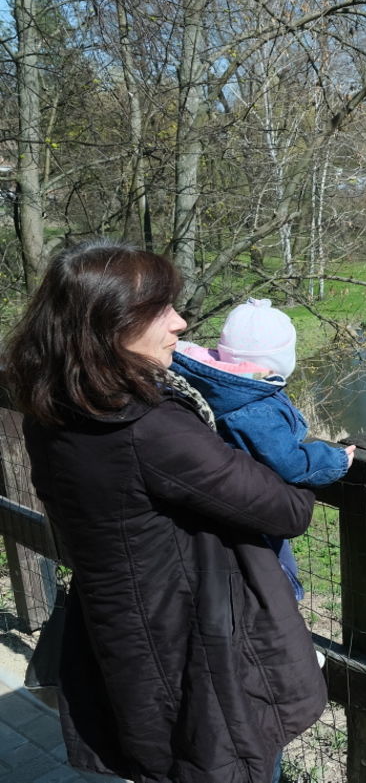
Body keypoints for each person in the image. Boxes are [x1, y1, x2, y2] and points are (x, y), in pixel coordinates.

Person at [4, 241, 326, 783]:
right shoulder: (147, 427)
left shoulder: (53, 405)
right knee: (223, 760)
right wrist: (290, 454)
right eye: (159, 309)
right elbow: (287, 509)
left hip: (126, 631)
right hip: (196, 650)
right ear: (110, 323)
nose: (179, 322)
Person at [170, 298, 354, 602]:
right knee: (276, 576)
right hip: (257, 503)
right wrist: (334, 460)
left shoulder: (212, 382)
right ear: (280, 359)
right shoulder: (254, 408)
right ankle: (285, 625)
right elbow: (288, 461)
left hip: (225, 500)